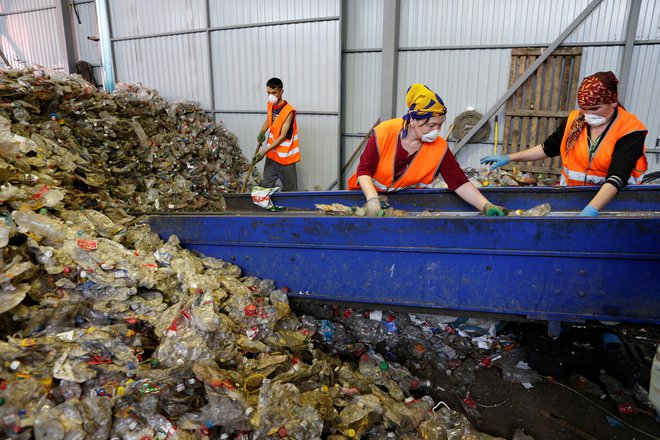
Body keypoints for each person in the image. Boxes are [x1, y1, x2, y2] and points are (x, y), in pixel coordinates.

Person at [480, 71, 647, 216]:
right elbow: (547, 148)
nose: (587, 114)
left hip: (612, 203)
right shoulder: (575, 121)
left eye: (595, 109)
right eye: (584, 108)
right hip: (572, 198)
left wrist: (591, 210)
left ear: (613, 102)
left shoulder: (630, 129)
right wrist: (510, 157)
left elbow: (617, 177)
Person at [348, 83, 508, 217]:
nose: (436, 130)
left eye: (439, 125)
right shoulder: (384, 133)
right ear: (412, 120)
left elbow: (459, 183)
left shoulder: (439, 148)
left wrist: (485, 205)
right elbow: (364, 171)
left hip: (403, 205)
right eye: (431, 125)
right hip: (364, 198)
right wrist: (372, 200)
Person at [254, 77, 299, 191]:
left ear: (281, 92)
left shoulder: (288, 111)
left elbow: (282, 136)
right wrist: (262, 131)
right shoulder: (270, 105)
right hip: (272, 156)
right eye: (268, 93)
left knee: (291, 191)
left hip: (286, 158)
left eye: (274, 93)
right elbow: (269, 120)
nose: (271, 96)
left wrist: (263, 152)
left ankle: (293, 208)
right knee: (266, 188)